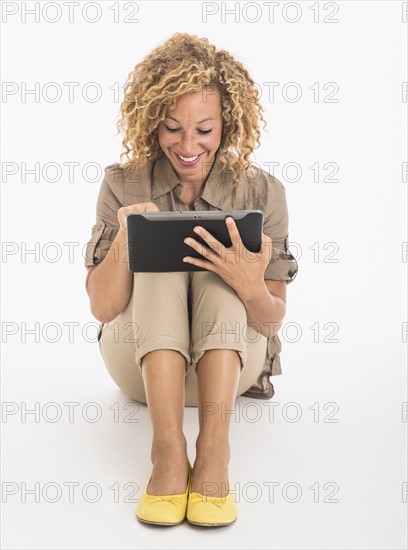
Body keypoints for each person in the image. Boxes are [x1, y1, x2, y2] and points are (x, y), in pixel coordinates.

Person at [84, 32, 298, 527]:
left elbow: (269, 323)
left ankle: (215, 452)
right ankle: (167, 451)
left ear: (228, 125)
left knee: (221, 272)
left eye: (204, 129)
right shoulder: (122, 183)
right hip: (140, 371)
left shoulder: (262, 191)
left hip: (228, 369)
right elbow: (101, 308)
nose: (187, 146)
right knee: (156, 258)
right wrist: (125, 239)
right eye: (172, 127)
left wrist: (247, 282)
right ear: (152, 119)